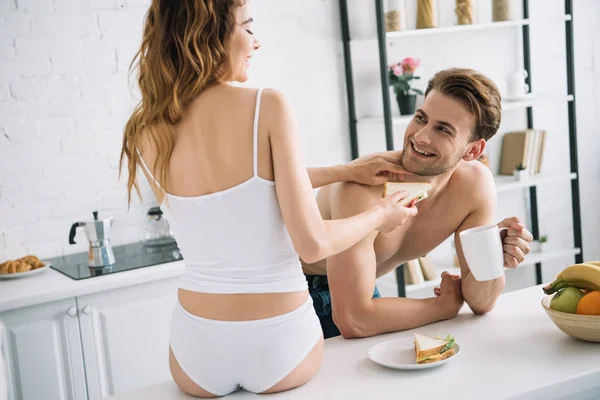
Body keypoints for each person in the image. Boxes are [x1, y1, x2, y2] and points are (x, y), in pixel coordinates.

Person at [119, 0, 417, 397]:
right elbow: (312, 242)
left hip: (195, 351)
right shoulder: (266, 105)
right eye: (247, 27)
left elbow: (245, 192)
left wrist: (344, 172)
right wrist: (381, 213)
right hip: (281, 344)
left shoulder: (146, 128)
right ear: (211, 36)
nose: (256, 42)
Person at [302, 68, 534, 339]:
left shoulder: (474, 186)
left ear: (473, 150)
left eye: (443, 130)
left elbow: (481, 302)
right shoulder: (364, 186)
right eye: (420, 118)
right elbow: (353, 320)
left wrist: (492, 256)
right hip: (293, 294)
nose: (421, 136)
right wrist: (442, 306)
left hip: (360, 295)